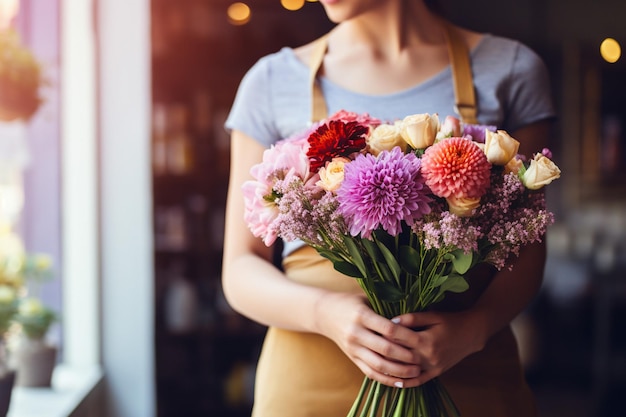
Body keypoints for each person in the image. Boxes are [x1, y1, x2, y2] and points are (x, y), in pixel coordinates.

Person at [222, 0, 555, 416]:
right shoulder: (271, 81)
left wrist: (471, 330)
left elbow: (528, 246)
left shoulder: (510, 68)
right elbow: (239, 268)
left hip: (468, 376)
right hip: (309, 385)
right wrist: (325, 313)